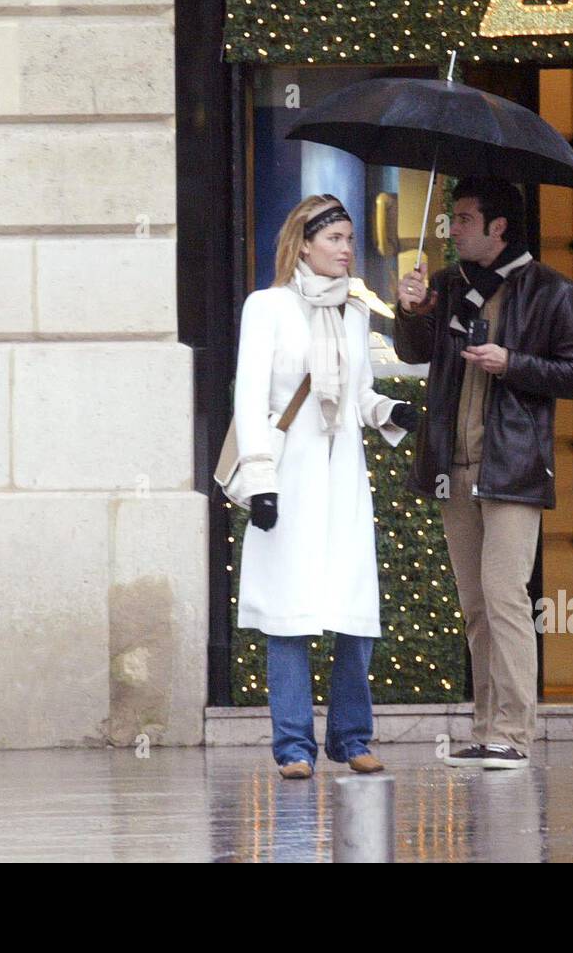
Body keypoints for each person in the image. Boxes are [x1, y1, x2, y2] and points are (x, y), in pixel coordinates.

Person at [394, 175, 573, 770]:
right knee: (475, 604)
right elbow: (413, 352)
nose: (451, 229)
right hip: (453, 465)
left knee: (505, 598)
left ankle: (514, 733)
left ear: (498, 227)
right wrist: (411, 311)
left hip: (512, 467)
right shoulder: (449, 285)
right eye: (451, 217)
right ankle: (484, 728)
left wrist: (514, 364)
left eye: (463, 219)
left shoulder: (553, 291)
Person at [231, 194, 420, 780]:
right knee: (290, 613)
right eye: (334, 238)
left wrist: (391, 409)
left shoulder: (356, 312)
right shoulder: (266, 307)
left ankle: (351, 737)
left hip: (343, 480)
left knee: (352, 607)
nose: (346, 249)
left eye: (349, 239)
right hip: (288, 475)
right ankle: (293, 746)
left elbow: (358, 396)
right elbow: (250, 397)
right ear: (304, 243)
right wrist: (260, 481)